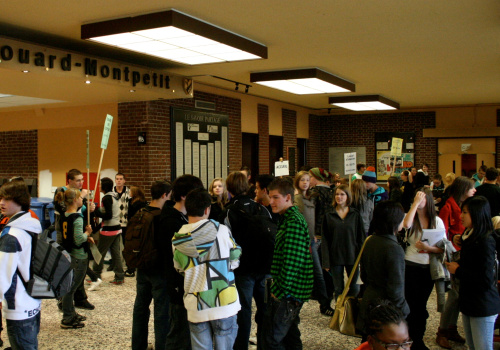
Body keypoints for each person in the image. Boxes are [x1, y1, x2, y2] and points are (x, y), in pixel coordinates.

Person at [172, 189, 242, 350]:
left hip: (196, 305)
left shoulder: (177, 239)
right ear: (207, 209)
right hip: (225, 302)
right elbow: (235, 258)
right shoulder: (223, 231)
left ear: (187, 209)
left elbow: (180, 269)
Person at [222, 171, 275, 350]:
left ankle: (241, 346)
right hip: (265, 266)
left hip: (243, 269)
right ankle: (265, 344)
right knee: (265, 310)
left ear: (229, 188)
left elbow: (226, 241)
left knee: (243, 312)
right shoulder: (261, 207)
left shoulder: (229, 211)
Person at [262, 178, 314, 349]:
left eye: (276, 197)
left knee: (271, 339)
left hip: (288, 292)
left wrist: (279, 291)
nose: (271, 202)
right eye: (270, 197)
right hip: (290, 291)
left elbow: (293, 263)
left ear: (288, 198)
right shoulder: (288, 218)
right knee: (290, 337)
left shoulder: (293, 222)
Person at [445, 196, 500, 350]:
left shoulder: (485, 240)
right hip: (470, 301)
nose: (461, 216)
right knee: (471, 346)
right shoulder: (471, 235)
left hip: (482, 303)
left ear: (477, 214)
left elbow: (485, 278)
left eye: (465, 213)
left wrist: (458, 270)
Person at [160, 175, 204, 349]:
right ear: (185, 196)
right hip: (178, 284)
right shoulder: (172, 221)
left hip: (189, 284)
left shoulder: (184, 217)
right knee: (178, 332)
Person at [0, 180, 43, 349]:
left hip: (18, 307)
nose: (2, 202)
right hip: (33, 300)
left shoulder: (11, 236)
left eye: (7, 199)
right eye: (1, 197)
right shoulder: (31, 225)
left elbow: (2, 276)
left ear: (20, 201)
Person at [357, 201, 409, 340]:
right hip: (386, 308)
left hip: (369, 299)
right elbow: (395, 288)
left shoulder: (370, 240)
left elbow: (364, 275)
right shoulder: (394, 248)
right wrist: (404, 310)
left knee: (368, 341)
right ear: (394, 221)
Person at [402, 188, 445, 350]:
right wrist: (414, 204)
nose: (420, 200)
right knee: (410, 303)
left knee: (421, 305)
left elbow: (443, 248)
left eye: (423, 199)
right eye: (417, 197)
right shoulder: (412, 218)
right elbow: (405, 224)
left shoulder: (437, 221)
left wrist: (428, 248)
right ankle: (409, 338)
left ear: (429, 202)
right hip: (410, 265)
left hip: (428, 268)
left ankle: (417, 338)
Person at [131, 180, 171, 350]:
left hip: (142, 266)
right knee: (162, 312)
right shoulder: (161, 216)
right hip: (158, 269)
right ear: (164, 195)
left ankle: (138, 345)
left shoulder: (141, 212)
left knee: (140, 308)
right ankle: (162, 345)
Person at [435, 176, 475, 347]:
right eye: (472, 188)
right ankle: (442, 330)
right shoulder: (449, 206)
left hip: (462, 253)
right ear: (464, 189)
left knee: (458, 296)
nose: (474, 190)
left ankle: (451, 328)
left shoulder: (465, 206)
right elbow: (442, 234)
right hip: (453, 255)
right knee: (454, 295)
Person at [53, 168, 96, 310]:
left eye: (82, 180)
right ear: (69, 181)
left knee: (79, 272)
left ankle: (80, 298)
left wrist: (89, 208)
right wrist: (82, 199)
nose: (81, 183)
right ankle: (63, 300)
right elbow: (66, 210)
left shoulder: (79, 197)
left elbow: (81, 211)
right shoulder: (63, 192)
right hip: (66, 236)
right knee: (68, 271)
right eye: (78, 180)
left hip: (80, 232)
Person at [293, 171, 332, 318]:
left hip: (311, 239)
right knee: (307, 272)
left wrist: (315, 234)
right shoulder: (297, 199)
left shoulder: (313, 197)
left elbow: (315, 217)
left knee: (318, 272)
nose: (305, 183)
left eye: (307, 180)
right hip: (302, 240)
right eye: (302, 180)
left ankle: (324, 303)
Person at [56, 188, 94, 329]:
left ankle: (71, 312)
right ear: (74, 200)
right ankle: (67, 317)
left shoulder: (65, 215)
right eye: (80, 198)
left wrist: (86, 237)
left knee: (72, 287)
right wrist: (87, 233)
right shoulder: (77, 218)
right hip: (78, 256)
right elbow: (78, 240)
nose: (82, 200)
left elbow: (70, 236)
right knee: (71, 288)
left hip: (69, 254)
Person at [322, 184, 365, 301]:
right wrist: (326, 261)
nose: (339, 197)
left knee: (355, 287)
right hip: (335, 256)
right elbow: (325, 239)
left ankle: (351, 311)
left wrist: (362, 257)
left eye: (342, 194)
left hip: (352, 255)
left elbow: (361, 237)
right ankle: (340, 314)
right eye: (337, 194)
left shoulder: (355, 215)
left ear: (348, 196)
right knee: (338, 288)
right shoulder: (329, 215)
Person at [92, 177, 124, 284]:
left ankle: (95, 275)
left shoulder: (106, 198)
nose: (99, 186)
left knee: (99, 253)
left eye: (101, 185)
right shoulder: (115, 196)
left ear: (104, 186)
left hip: (108, 230)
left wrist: (96, 211)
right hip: (117, 228)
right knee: (116, 254)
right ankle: (119, 276)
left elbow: (108, 215)